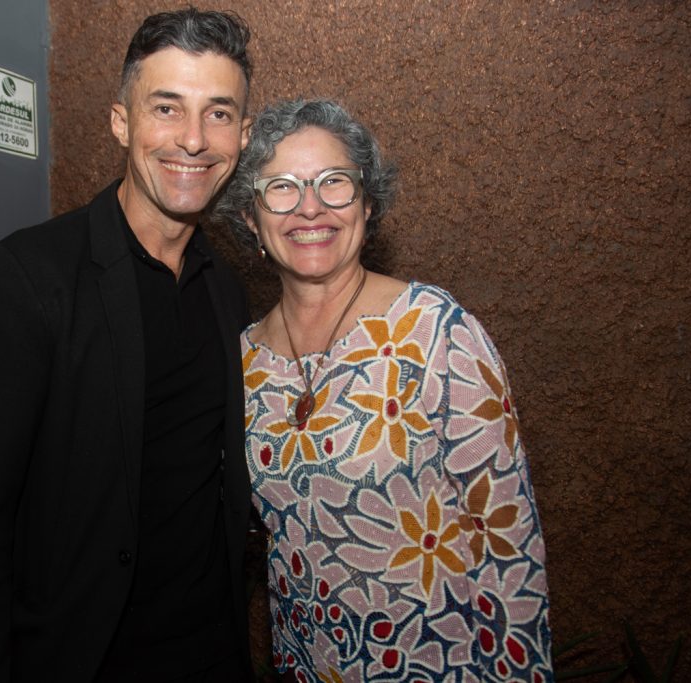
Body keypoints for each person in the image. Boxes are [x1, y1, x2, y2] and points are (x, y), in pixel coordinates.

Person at [0, 9, 256, 682]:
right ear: (121, 121)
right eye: (167, 107)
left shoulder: (229, 290)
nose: (193, 139)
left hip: (212, 655)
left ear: (243, 136)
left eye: (219, 114)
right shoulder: (23, 278)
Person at [211, 99, 553, 682]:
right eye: (282, 188)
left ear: (368, 203)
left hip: (446, 665)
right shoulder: (243, 361)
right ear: (251, 216)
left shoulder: (436, 330)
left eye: (334, 183)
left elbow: (508, 541)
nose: (310, 207)